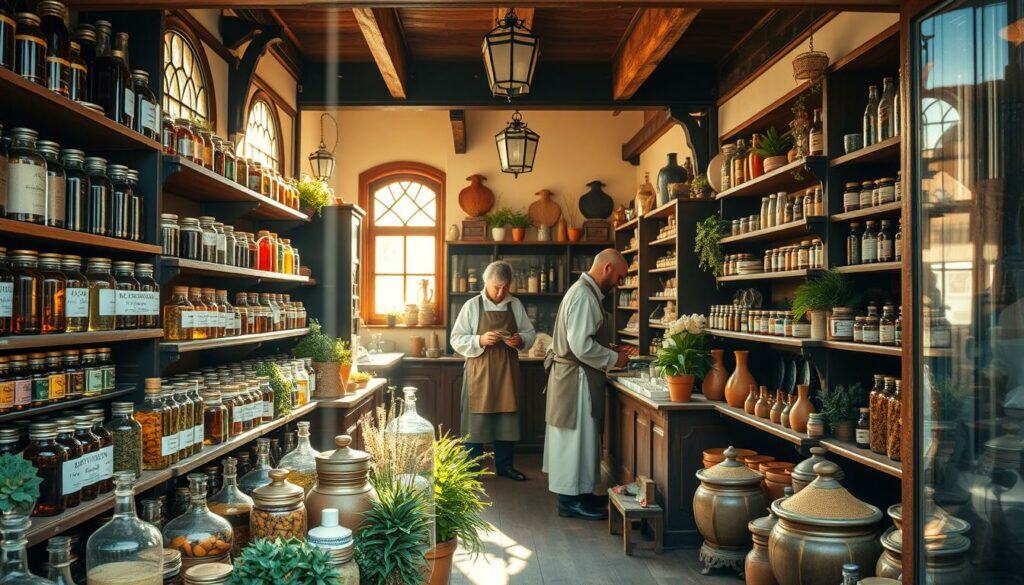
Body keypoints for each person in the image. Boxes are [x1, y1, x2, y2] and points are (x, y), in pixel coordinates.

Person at [543, 249, 630, 520]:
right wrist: (615, 358)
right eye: (619, 276)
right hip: (574, 379)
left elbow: (583, 338)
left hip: (574, 376)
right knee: (574, 440)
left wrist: (607, 348)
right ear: (606, 268)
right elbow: (581, 346)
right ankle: (569, 502)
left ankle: (581, 495)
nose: (620, 283)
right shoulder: (583, 295)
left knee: (581, 440)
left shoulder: (586, 292)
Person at [450, 260, 536, 480]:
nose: (500, 292)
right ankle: (471, 468)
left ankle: (505, 467)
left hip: (507, 372)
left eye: (505, 287)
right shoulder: (472, 305)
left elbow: (530, 333)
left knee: (507, 418)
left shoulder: (514, 305)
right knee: (475, 420)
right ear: (486, 282)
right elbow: (456, 339)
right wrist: (479, 339)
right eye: (496, 286)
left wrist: (521, 340)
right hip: (479, 371)